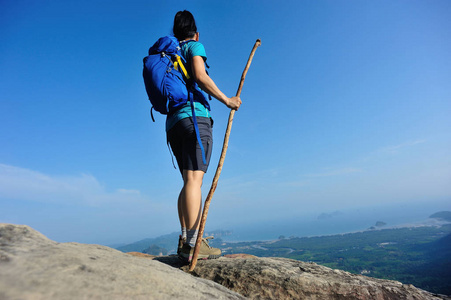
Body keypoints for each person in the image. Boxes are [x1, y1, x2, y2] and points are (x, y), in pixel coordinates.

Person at [167, 10, 242, 262]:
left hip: (174, 123)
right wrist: (226, 100)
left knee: (188, 181)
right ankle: (192, 243)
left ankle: (184, 241)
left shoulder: (169, 52)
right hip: (194, 118)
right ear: (195, 32)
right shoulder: (193, 46)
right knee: (194, 181)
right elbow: (200, 76)